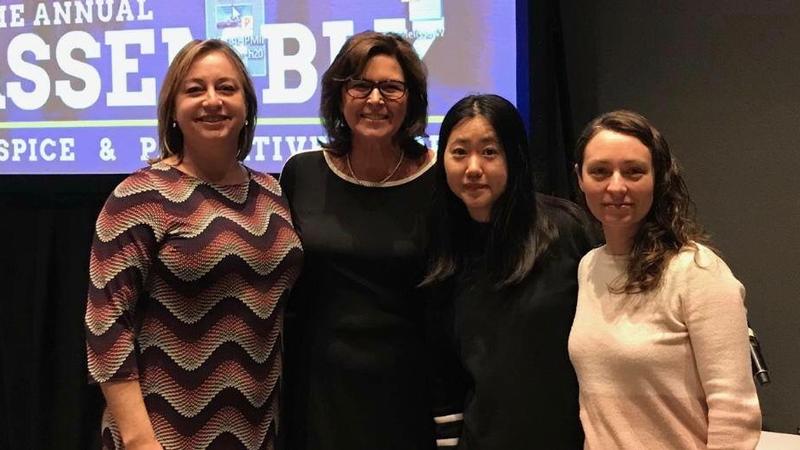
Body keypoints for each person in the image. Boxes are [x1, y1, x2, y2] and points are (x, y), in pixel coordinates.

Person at [84, 39, 303, 450]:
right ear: (173, 109)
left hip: (256, 432)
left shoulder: (271, 194)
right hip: (161, 435)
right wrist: (139, 441)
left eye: (227, 88)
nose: (212, 101)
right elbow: (107, 326)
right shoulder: (139, 197)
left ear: (247, 106)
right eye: (195, 89)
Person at [277, 31, 437, 450]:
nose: (375, 99)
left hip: (409, 390)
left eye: (391, 87)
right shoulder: (302, 173)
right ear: (339, 94)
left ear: (412, 98)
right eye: (360, 85)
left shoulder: (439, 179)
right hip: (319, 391)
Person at [568, 110, 761, 449]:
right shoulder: (588, 267)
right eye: (600, 171)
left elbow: (735, 415)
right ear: (580, 178)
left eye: (634, 171)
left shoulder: (697, 271)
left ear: (658, 178)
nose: (616, 186)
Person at [422, 94, 593, 449]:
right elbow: (444, 374)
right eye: (459, 152)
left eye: (489, 152)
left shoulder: (566, 230)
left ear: (514, 157)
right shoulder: (442, 249)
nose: (473, 168)